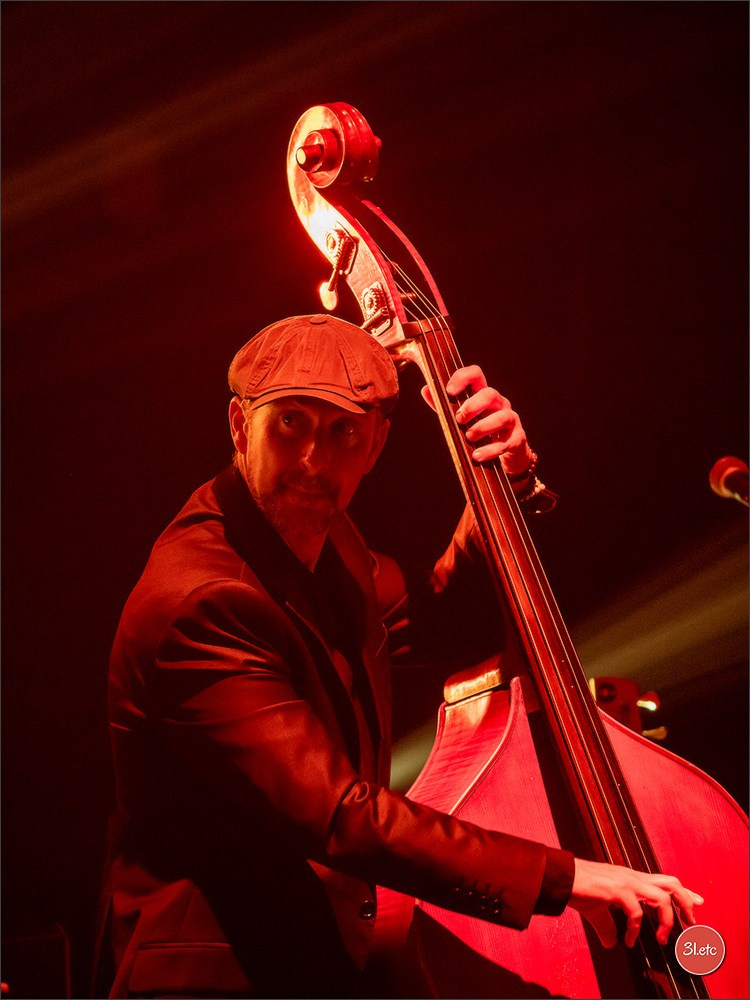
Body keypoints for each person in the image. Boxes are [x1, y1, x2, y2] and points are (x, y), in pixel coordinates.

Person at [102, 313, 702, 999]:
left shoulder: (329, 548)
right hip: (216, 980)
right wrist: (569, 878)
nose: (313, 461)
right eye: (289, 424)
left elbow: (440, 618)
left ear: (377, 445)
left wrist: (504, 481)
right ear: (240, 428)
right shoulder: (200, 600)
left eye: (342, 432)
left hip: (316, 966)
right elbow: (340, 813)